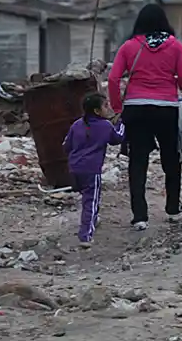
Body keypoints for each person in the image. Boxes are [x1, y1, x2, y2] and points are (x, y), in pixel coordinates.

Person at [108, 3, 182, 231]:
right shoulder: (175, 46)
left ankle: (140, 216)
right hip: (166, 108)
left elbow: (114, 79)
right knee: (171, 159)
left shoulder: (129, 46)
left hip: (136, 108)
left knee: (138, 161)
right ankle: (173, 209)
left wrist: (118, 107)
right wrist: (173, 84)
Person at [63, 92, 124, 248]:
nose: (108, 107)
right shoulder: (105, 126)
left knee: (87, 197)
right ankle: (86, 235)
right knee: (91, 200)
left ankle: (93, 220)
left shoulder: (77, 124)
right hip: (91, 169)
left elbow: (66, 146)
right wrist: (122, 124)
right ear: (97, 111)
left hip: (74, 167)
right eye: (105, 105)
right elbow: (117, 139)